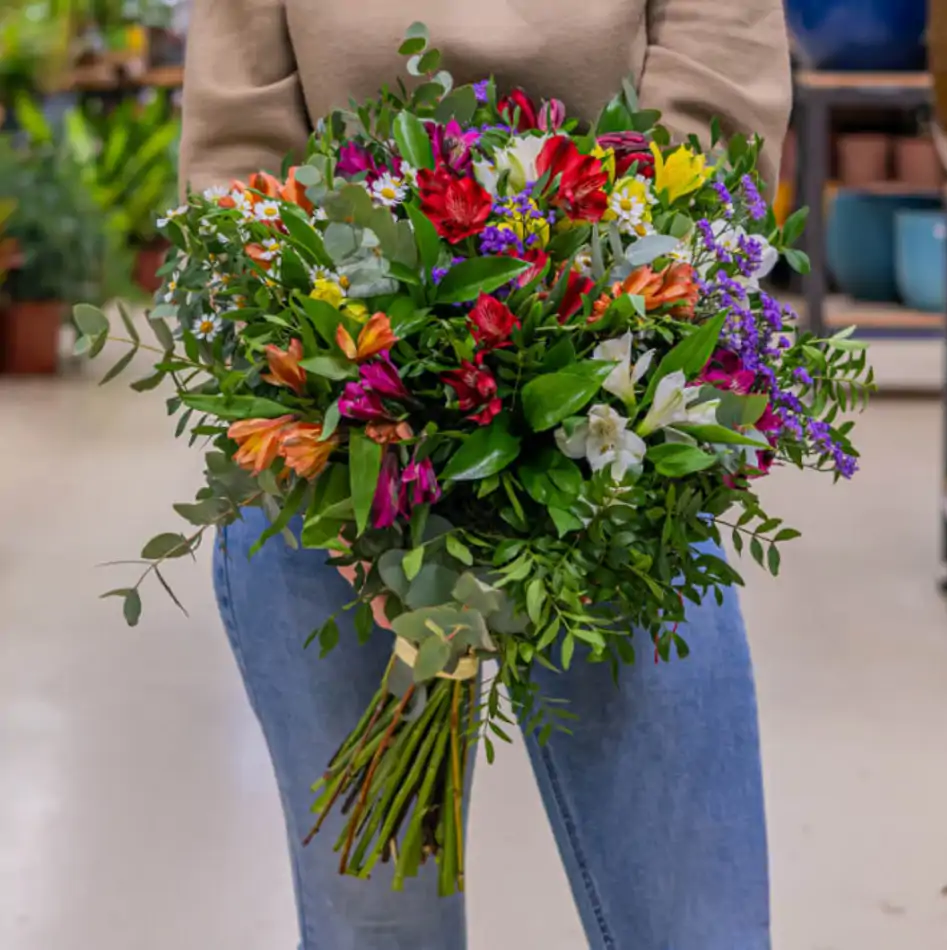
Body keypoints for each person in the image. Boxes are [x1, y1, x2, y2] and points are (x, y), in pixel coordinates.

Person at [180, 3, 792, 948]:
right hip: (338, 450)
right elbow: (237, 155)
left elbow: (720, 86)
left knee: (696, 926)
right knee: (377, 929)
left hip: (616, 433)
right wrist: (343, 449)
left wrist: (615, 328)